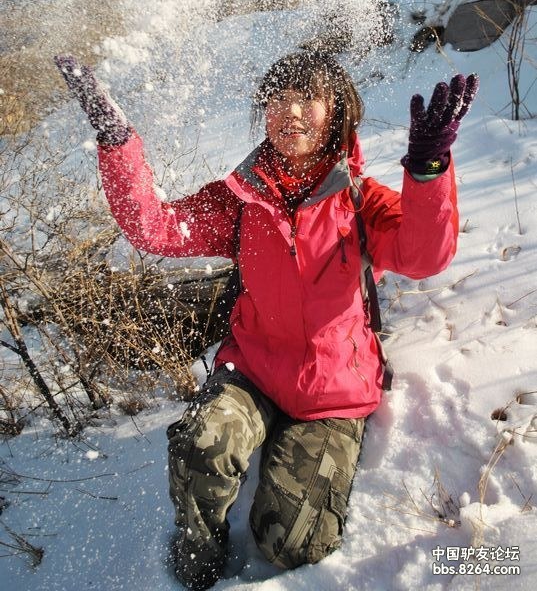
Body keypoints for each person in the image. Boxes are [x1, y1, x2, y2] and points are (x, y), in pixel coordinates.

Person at [54, 51, 478, 590]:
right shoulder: (241, 200)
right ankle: (197, 556)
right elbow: (156, 228)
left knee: (291, 541)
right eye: (278, 98)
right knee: (198, 444)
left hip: (331, 391)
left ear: (339, 111)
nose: (290, 112)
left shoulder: (358, 200)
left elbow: (424, 255)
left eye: (307, 98)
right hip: (252, 371)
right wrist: (117, 143)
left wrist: (428, 169)